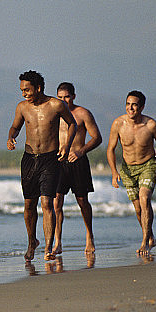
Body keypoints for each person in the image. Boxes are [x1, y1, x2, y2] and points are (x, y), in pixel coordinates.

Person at [7, 71, 77, 261]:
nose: (24, 94)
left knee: (47, 202)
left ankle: (48, 247)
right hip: (29, 159)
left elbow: (73, 124)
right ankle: (32, 241)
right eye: (22, 90)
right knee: (29, 204)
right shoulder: (22, 107)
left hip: (50, 158)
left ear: (38, 88)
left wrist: (67, 145)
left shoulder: (56, 105)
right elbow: (15, 126)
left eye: (27, 90)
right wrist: (11, 137)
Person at [106, 91, 156, 256]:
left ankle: (144, 243)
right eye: (128, 104)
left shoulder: (151, 125)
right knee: (138, 208)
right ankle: (151, 237)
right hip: (127, 169)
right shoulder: (118, 124)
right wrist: (114, 172)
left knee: (144, 199)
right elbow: (110, 149)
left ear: (141, 107)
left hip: (148, 165)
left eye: (134, 104)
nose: (130, 108)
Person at [52, 82, 101, 256]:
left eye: (66, 97)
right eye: (60, 97)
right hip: (58, 161)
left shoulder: (83, 113)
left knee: (82, 201)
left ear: (73, 96)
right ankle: (57, 242)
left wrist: (81, 151)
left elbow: (97, 138)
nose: (63, 100)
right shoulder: (54, 113)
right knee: (56, 202)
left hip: (78, 161)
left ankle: (89, 235)